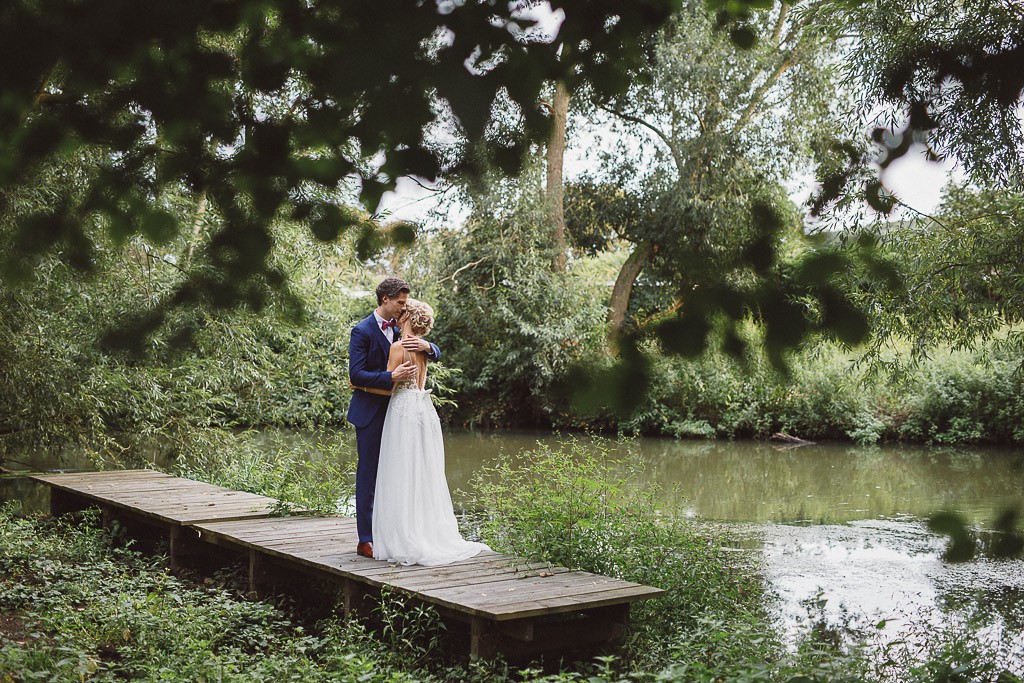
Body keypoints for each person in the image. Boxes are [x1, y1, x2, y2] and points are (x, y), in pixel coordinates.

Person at [372, 299, 489, 566]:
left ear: (408, 318)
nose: (399, 316)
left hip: (402, 410)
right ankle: (425, 532)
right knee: (423, 471)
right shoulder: (423, 350)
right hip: (422, 408)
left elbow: (388, 385)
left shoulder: (398, 347)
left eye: (403, 314)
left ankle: (404, 536)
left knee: (401, 470)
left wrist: (360, 386)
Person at [347, 277, 439, 559]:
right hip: (373, 412)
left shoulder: (407, 334)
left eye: (405, 303)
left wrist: (429, 347)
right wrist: (390, 377)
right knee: (370, 475)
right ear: (385, 299)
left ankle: (395, 533)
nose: (403, 307)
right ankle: (366, 539)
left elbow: (434, 351)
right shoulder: (362, 331)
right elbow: (356, 374)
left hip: (401, 412)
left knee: (399, 474)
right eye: (400, 302)